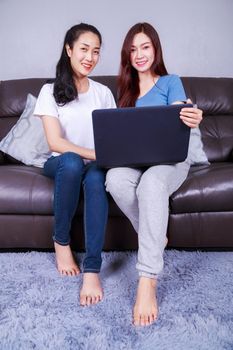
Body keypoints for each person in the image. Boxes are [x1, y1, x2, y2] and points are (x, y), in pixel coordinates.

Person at [105, 22, 203, 326]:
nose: (139, 54)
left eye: (145, 47)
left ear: (155, 48)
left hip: (170, 161)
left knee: (150, 185)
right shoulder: (125, 90)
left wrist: (192, 114)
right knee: (115, 180)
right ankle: (156, 236)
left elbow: (180, 113)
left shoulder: (171, 82)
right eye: (133, 49)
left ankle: (147, 279)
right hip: (137, 161)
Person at [34, 23, 116, 306]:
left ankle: (92, 268)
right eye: (84, 49)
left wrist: (100, 158)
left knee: (95, 179)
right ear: (69, 50)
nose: (90, 57)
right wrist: (93, 153)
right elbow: (55, 142)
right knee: (70, 161)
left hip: (93, 165)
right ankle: (61, 241)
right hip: (60, 163)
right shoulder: (50, 91)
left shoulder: (103, 93)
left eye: (96, 52)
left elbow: (113, 137)